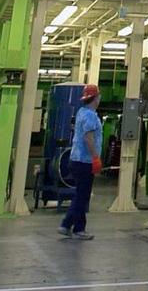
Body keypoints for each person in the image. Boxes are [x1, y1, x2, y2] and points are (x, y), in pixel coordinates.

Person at [58, 84, 103, 240]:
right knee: (82, 196)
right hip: (85, 161)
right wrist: (95, 158)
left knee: (80, 194)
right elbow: (88, 138)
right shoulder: (90, 116)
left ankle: (67, 225)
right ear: (96, 98)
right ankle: (77, 228)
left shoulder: (81, 112)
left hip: (76, 159)